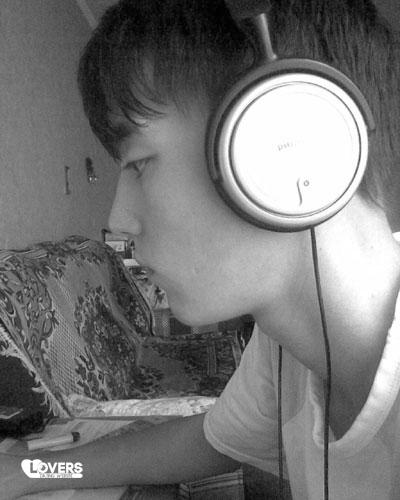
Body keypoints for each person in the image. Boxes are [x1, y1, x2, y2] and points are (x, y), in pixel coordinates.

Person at [2, 0, 400, 498]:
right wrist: (32, 471)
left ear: (290, 145)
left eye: (139, 163)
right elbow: (203, 443)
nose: (117, 220)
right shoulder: (284, 347)